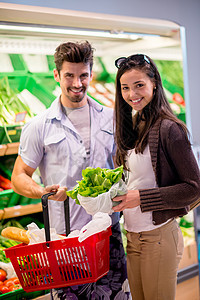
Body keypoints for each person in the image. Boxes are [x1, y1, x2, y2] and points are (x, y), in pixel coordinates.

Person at [11, 41, 131, 299]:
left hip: (107, 234)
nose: (77, 83)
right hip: (65, 240)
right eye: (69, 75)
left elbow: (126, 166)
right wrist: (41, 190)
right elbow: (19, 177)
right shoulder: (39, 126)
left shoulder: (111, 118)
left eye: (83, 75)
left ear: (91, 73)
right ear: (56, 75)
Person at [112, 54, 200, 300]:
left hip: (158, 236)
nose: (132, 94)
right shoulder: (134, 124)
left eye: (139, 85)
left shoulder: (170, 129)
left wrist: (140, 198)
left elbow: (194, 188)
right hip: (133, 236)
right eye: (125, 88)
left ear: (154, 84)